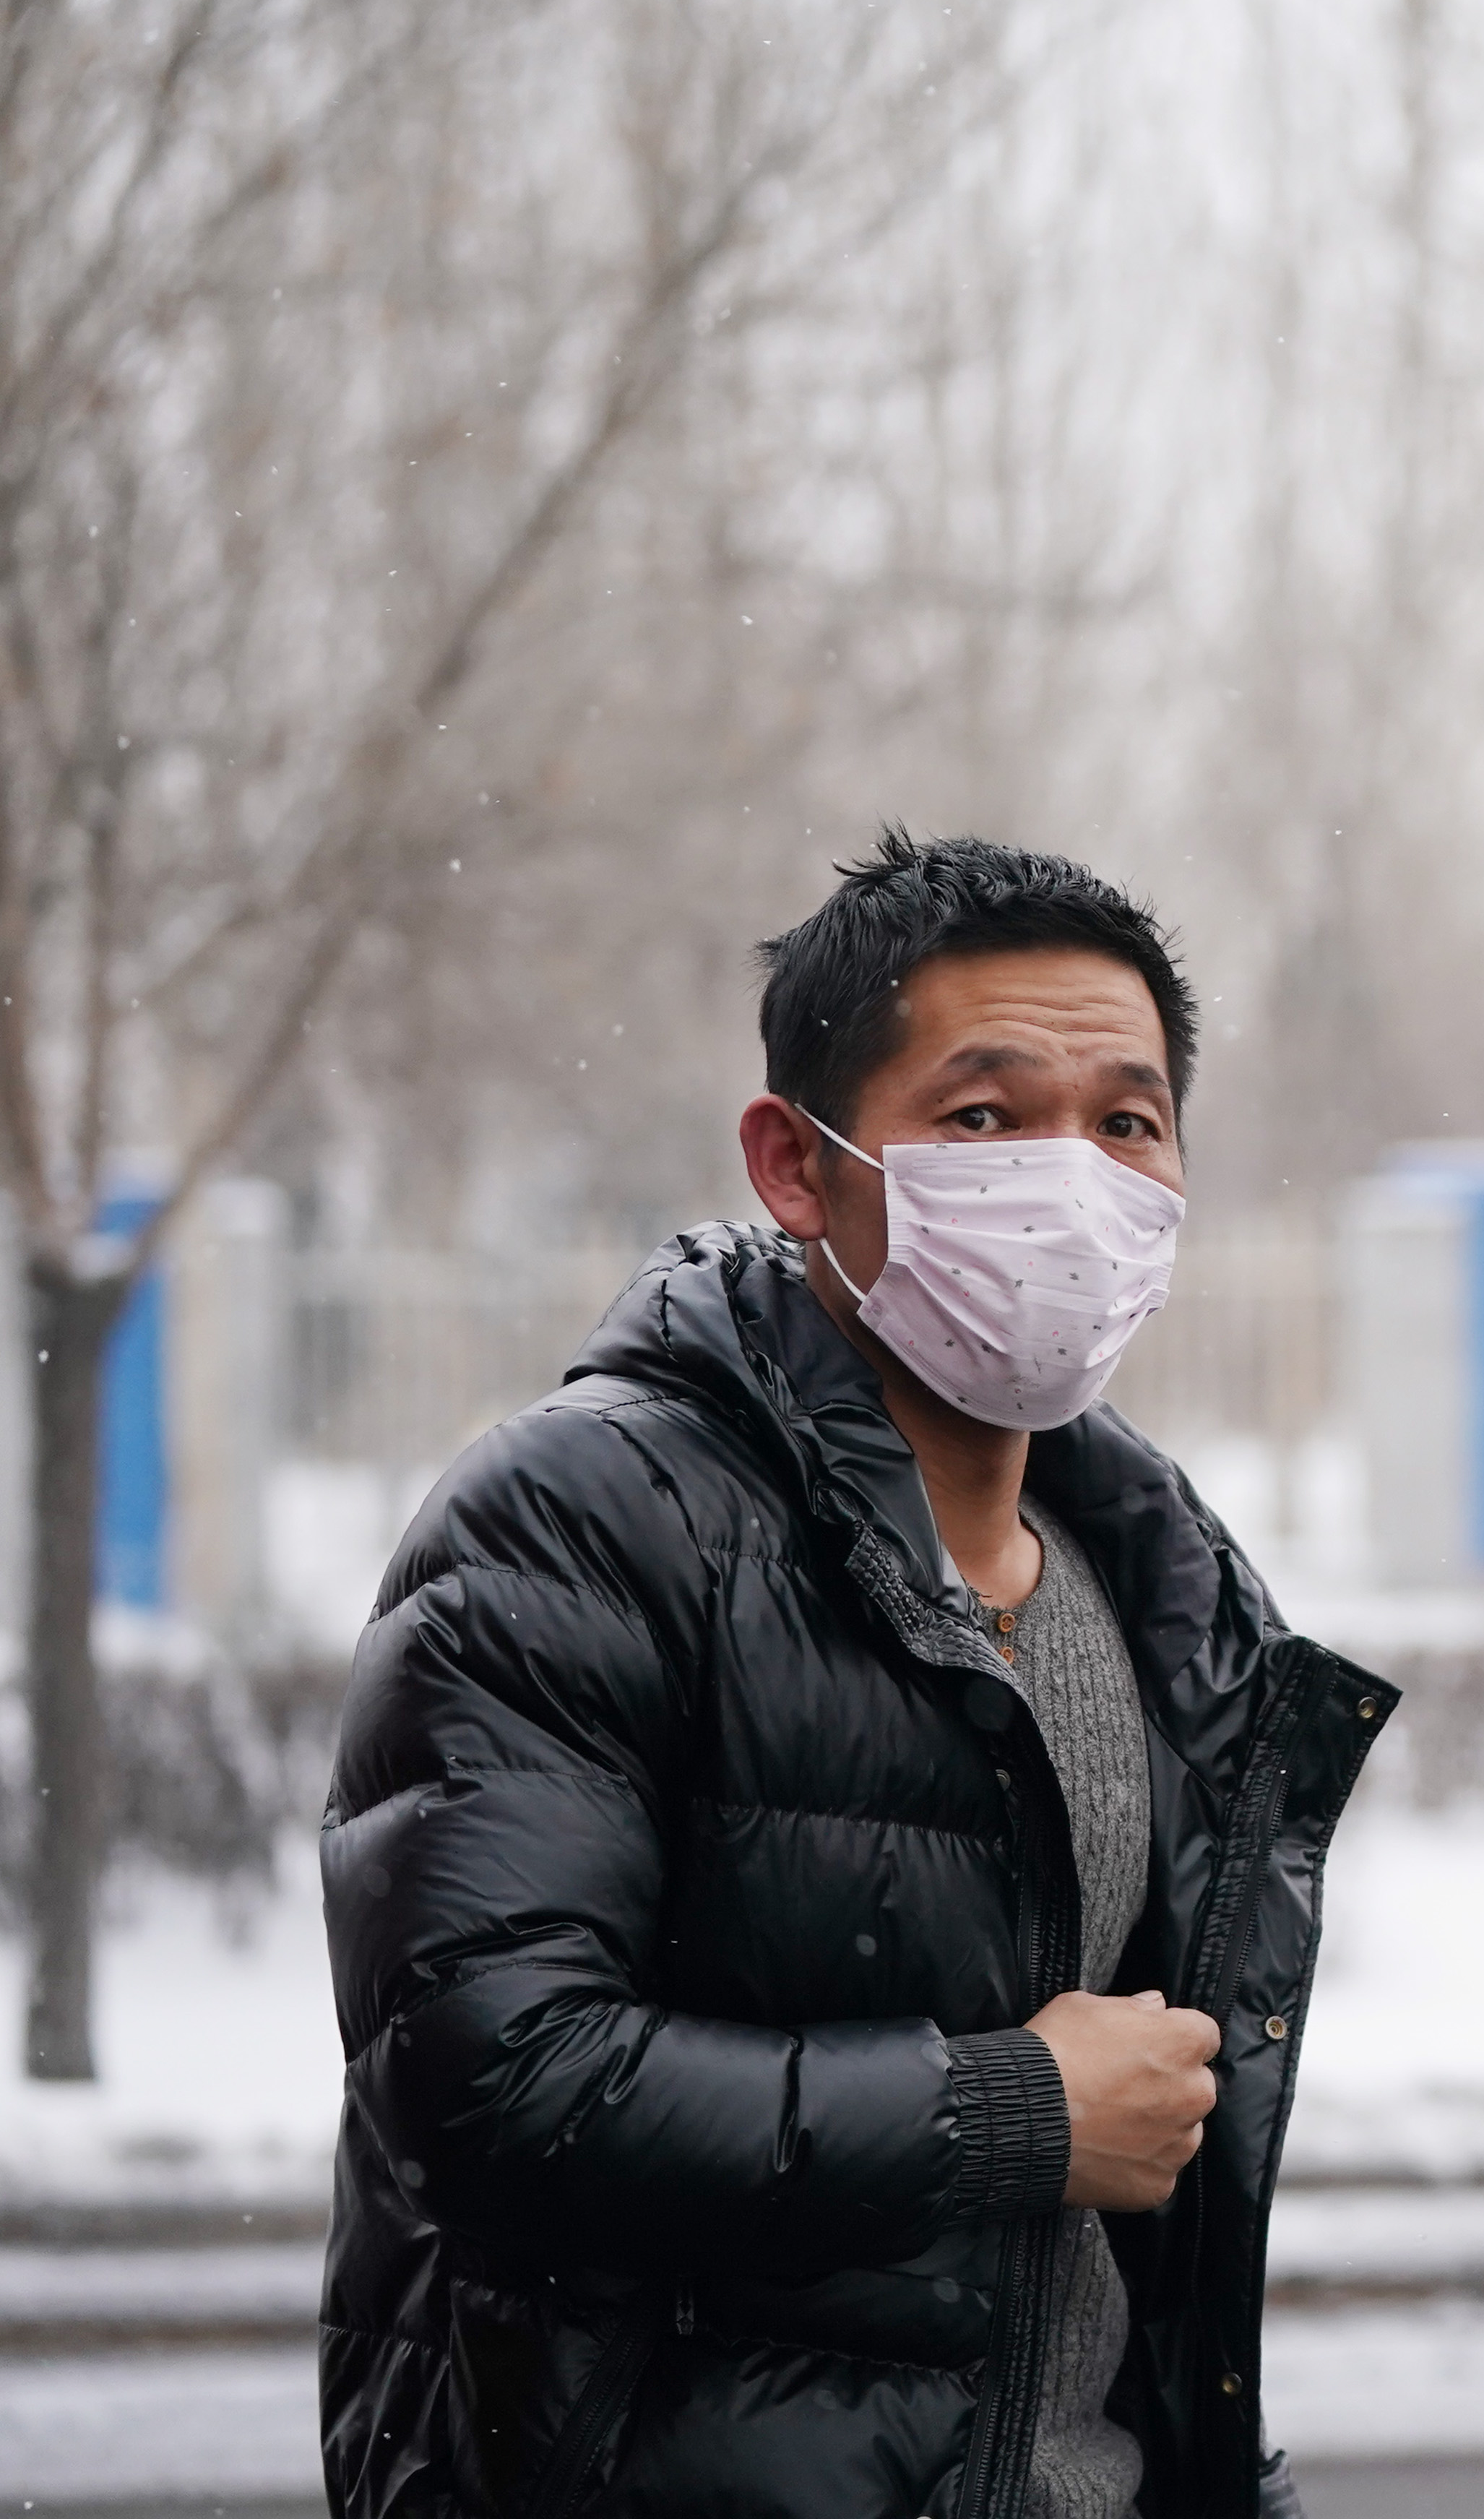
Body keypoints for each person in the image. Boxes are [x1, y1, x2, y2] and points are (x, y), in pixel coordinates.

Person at [317, 832, 1394, 2519]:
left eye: (1127, 1123)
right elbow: (490, 2092)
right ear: (796, 1165)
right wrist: (1014, 2110)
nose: (1073, 1184)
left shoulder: (1161, 1588)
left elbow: (1153, 2235)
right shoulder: (579, 1523)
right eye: (986, 1118)